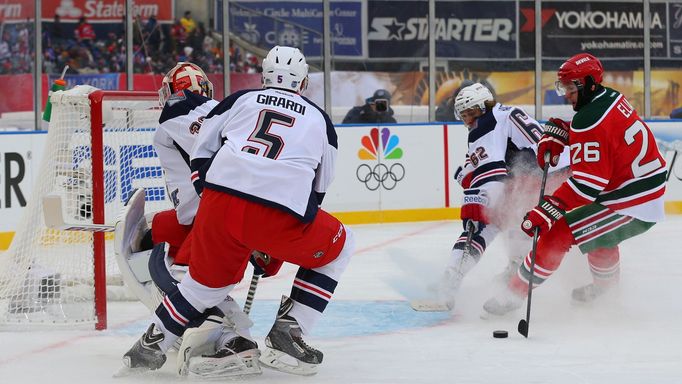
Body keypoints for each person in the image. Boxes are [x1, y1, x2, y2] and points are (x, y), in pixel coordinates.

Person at [121, 46, 355, 376]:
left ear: (263, 78)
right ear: (303, 84)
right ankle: (289, 329)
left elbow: (202, 155)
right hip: (279, 209)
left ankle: (147, 349)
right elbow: (319, 189)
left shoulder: (240, 100)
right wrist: (277, 233)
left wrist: (217, 208)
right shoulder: (320, 119)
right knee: (341, 246)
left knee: (201, 287)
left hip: (219, 203)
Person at [483, 53, 667, 315]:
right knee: (599, 236)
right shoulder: (609, 97)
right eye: (563, 87)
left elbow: (587, 184)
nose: (566, 94)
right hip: (636, 186)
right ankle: (606, 292)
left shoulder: (589, 120)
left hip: (633, 201)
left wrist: (550, 208)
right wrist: (567, 134)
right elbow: (605, 138)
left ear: (590, 84)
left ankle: (512, 294)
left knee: (557, 232)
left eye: (571, 87)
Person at [115, 62, 263, 378]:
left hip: (218, 217)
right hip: (228, 214)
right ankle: (210, 325)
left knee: (182, 275)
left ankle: (229, 338)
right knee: (158, 237)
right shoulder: (227, 113)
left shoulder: (182, 113)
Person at [430, 82, 570, 310]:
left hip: (541, 178)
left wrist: (476, 201)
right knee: (519, 223)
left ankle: (452, 280)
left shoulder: (488, 122)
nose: (469, 120)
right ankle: (515, 272)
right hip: (554, 174)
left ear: (485, 107)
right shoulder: (502, 115)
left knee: (485, 224)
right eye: (464, 115)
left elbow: (490, 170)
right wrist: (469, 179)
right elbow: (476, 168)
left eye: (472, 112)